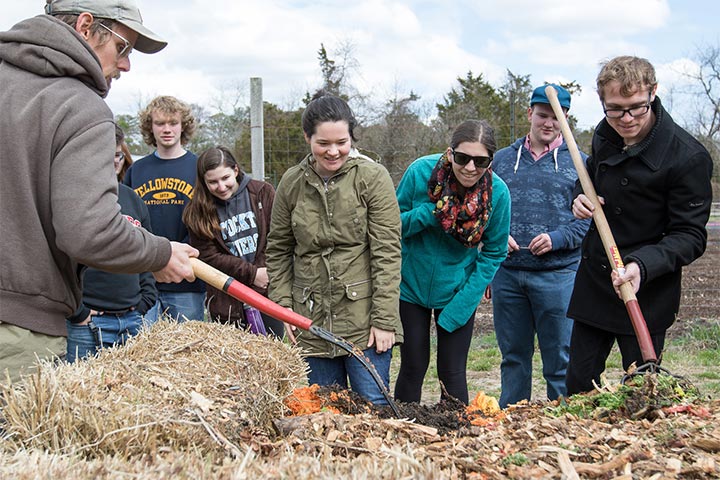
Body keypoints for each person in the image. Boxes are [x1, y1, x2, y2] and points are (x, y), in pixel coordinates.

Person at [0, 0, 197, 383]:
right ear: (86, 26)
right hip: (18, 327)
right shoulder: (79, 106)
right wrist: (160, 252)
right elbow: (90, 231)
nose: (126, 65)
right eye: (123, 47)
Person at [566, 56, 714, 395]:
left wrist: (641, 266)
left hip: (646, 289)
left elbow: (690, 236)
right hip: (596, 281)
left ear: (653, 93)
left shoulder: (687, 157)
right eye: (615, 109)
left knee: (640, 390)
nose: (626, 119)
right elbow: (589, 176)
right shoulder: (606, 133)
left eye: (636, 108)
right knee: (577, 383)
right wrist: (580, 197)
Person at [266, 93, 403, 405]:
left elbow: (387, 252)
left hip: (364, 318)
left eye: (341, 142)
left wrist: (384, 320)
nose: (333, 151)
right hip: (311, 316)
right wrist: (283, 306)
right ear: (307, 138)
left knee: (373, 404)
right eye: (323, 143)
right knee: (327, 407)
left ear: (351, 136)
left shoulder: (372, 177)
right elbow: (278, 249)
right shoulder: (291, 183)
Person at [394, 119, 511, 405]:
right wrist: (429, 214)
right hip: (411, 285)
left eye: (480, 161)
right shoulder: (420, 172)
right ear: (450, 152)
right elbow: (391, 228)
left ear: (490, 161)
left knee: (452, 371)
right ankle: (405, 429)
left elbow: (495, 251)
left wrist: (465, 300)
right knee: (413, 365)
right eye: (463, 158)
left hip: (457, 289)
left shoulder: (498, 193)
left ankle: (456, 441)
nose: (470, 167)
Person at [490, 85, 590, 408]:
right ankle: (513, 422)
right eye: (543, 115)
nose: (548, 123)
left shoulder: (581, 164)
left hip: (558, 276)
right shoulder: (502, 161)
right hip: (508, 277)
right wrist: (497, 237)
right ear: (530, 114)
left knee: (560, 360)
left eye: (556, 118)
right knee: (514, 358)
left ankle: (561, 424)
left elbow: (588, 221)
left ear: (565, 121)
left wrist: (557, 239)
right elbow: (486, 210)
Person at [65, 125, 159, 362]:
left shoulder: (133, 199)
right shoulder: (74, 198)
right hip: (88, 324)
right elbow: (57, 259)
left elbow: (146, 255)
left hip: (131, 320)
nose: (114, 161)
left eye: (117, 155)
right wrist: (78, 312)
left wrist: (144, 302)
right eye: (107, 156)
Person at [183, 146, 284, 337]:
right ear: (203, 181)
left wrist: (264, 273)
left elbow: (278, 238)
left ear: (235, 170)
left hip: (267, 294)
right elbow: (207, 257)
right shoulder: (197, 210)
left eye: (225, 178)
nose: (221, 187)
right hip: (226, 303)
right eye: (212, 182)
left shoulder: (263, 192)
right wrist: (252, 273)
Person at [123, 95, 206, 323]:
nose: (167, 129)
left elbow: (208, 223)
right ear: (151, 128)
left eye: (173, 123)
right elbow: (126, 221)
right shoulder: (136, 171)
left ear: (183, 126)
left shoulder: (198, 167)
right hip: (144, 278)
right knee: (141, 349)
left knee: (186, 349)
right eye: (160, 123)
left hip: (187, 278)